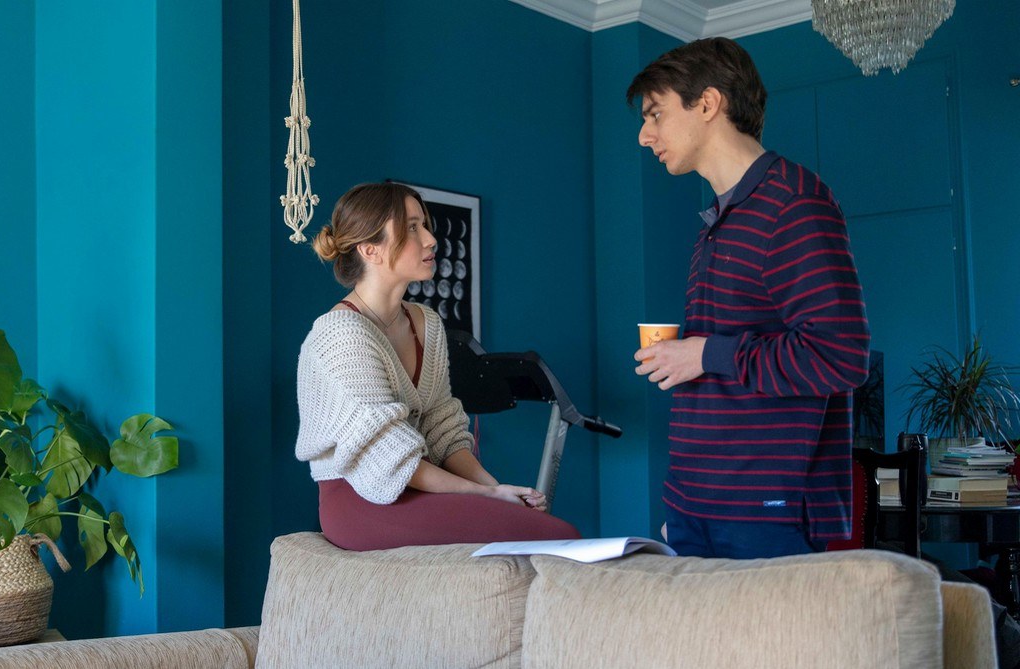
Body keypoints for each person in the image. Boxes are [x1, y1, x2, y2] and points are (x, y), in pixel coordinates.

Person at [627, 38, 870, 559]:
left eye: (656, 114)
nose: (645, 136)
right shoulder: (718, 221)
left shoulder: (795, 204)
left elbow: (840, 356)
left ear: (708, 103)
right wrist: (684, 505)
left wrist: (704, 353)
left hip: (765, 517)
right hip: (696, 509)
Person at [295, 182, 580, 551]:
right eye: (412, 228)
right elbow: (389, 454)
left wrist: (496, 488)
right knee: (559, 536)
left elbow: (442, 429)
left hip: (418, 484)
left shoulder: (426, 323)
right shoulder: (341, 334)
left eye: (425, 225)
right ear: (369, 249)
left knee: (550, 529)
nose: (431, 239)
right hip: (358, 498)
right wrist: (486, 495)